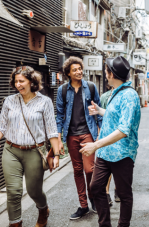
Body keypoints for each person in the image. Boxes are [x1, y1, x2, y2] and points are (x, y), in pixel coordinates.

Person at [0, 66, 60, 227]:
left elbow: (52, 130)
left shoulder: (44, 102)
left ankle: (43, 209)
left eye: (21, 81)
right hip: (11, 151)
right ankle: (15, 224)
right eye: (15, 81)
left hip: (34, 152)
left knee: (34, 191)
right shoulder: (10, 101)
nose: (18, 84)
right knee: (13, 192)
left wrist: (56, 154)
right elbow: (1, 127)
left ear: (32, 82)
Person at [80, 56, 141, 227]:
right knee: (96, 188)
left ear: (112, 74)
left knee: (124, 194)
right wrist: (100, 111)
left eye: (106, 71)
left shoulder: (129, 95)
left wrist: (95, 145)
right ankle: (104, 224)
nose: (105, 75)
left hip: (122, 153)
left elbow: (123, 129)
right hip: (105, 153)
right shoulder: (117, 91)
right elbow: (117, 115)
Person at [56, 56, 103, 220]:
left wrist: (102, 132)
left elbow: (98, 109)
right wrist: (59, 138)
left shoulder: (90, 87)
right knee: (77, 170)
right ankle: (83, 205)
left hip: (88, 133)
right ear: (68, 73)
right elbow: (60, 115)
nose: (79, 72)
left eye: (80, 68)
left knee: (90, 169)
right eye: (74, 70)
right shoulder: (62, 90)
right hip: (71, 135)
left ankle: (93, 198)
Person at [100, 86, 120, 206]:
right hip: (107, 134)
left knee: (119, 164)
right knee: (108, 164)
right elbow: (100, 117)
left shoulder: (125, 95)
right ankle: (106, 193)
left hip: (120, 134)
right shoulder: (104, 97)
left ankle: (118, 190)